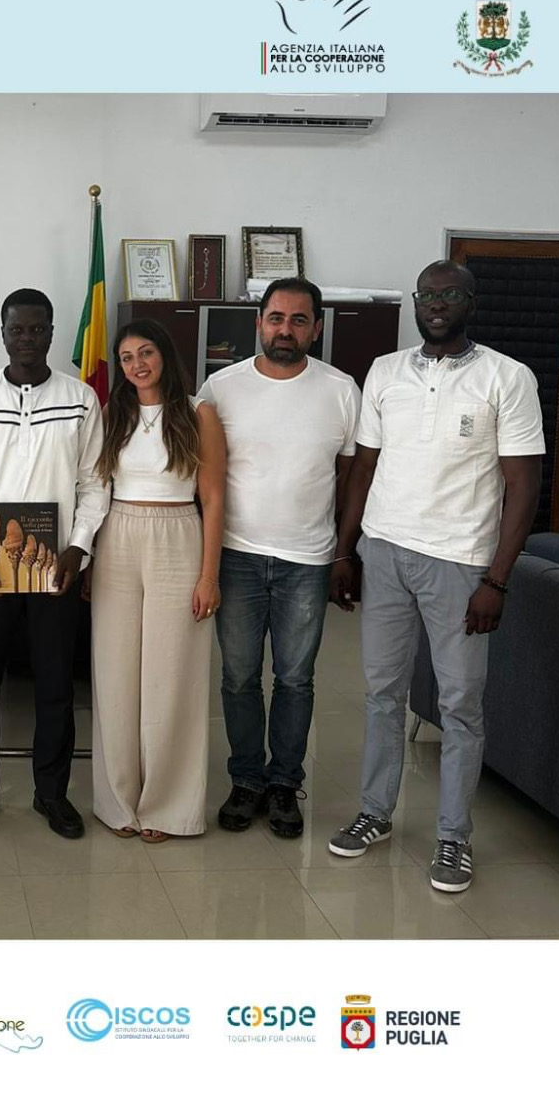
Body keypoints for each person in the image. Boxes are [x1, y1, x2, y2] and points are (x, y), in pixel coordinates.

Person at [328, 260, 543, 892]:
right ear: (417, 304)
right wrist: (346, 550)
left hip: (461, 561)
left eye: (450, 294)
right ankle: (375, 813)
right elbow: (364, 468)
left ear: (471, 302)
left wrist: (496, 580)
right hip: (385, 551)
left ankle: (454, 837)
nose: (437, 304)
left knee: (460, 705)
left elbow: (524, 486)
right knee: (381, 693)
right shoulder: (386, 371)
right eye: (428, 295)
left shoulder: (507, 376)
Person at [199, 278, 361, 839]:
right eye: (275, 318)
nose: (285, 330)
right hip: (236, 556)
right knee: (239, 678)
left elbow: (350, 478)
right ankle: (246, 780)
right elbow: (203, 478)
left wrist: (344, 552)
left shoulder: (341, 391)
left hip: (307, 560)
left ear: (316, 328)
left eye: (298, 320)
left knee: (295, 679)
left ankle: (284, 784)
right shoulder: (220, 388)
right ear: (258, 323)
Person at [0, 288, 109, 840]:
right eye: (16, 329)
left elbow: (94, 482)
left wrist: (78, 547)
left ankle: (52, 793)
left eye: (37, 329)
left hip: (55, 568)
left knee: (55, 684)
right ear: (2, 333)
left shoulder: (81, 399)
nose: (27, 339)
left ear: (51, 333)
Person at [88, 319, 225, 842]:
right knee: (115, 672)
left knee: (172, 674)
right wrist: (89, 557)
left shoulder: (198, 413)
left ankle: (168, 805)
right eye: (126, 357)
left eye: (145, 352)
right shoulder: (112, 414)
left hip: (178, 535)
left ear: (164, 354)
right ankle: (118, 800)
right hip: (118, 536)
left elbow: (213, 498)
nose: (137, 365)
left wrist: (209, 575)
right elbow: (96, 489)